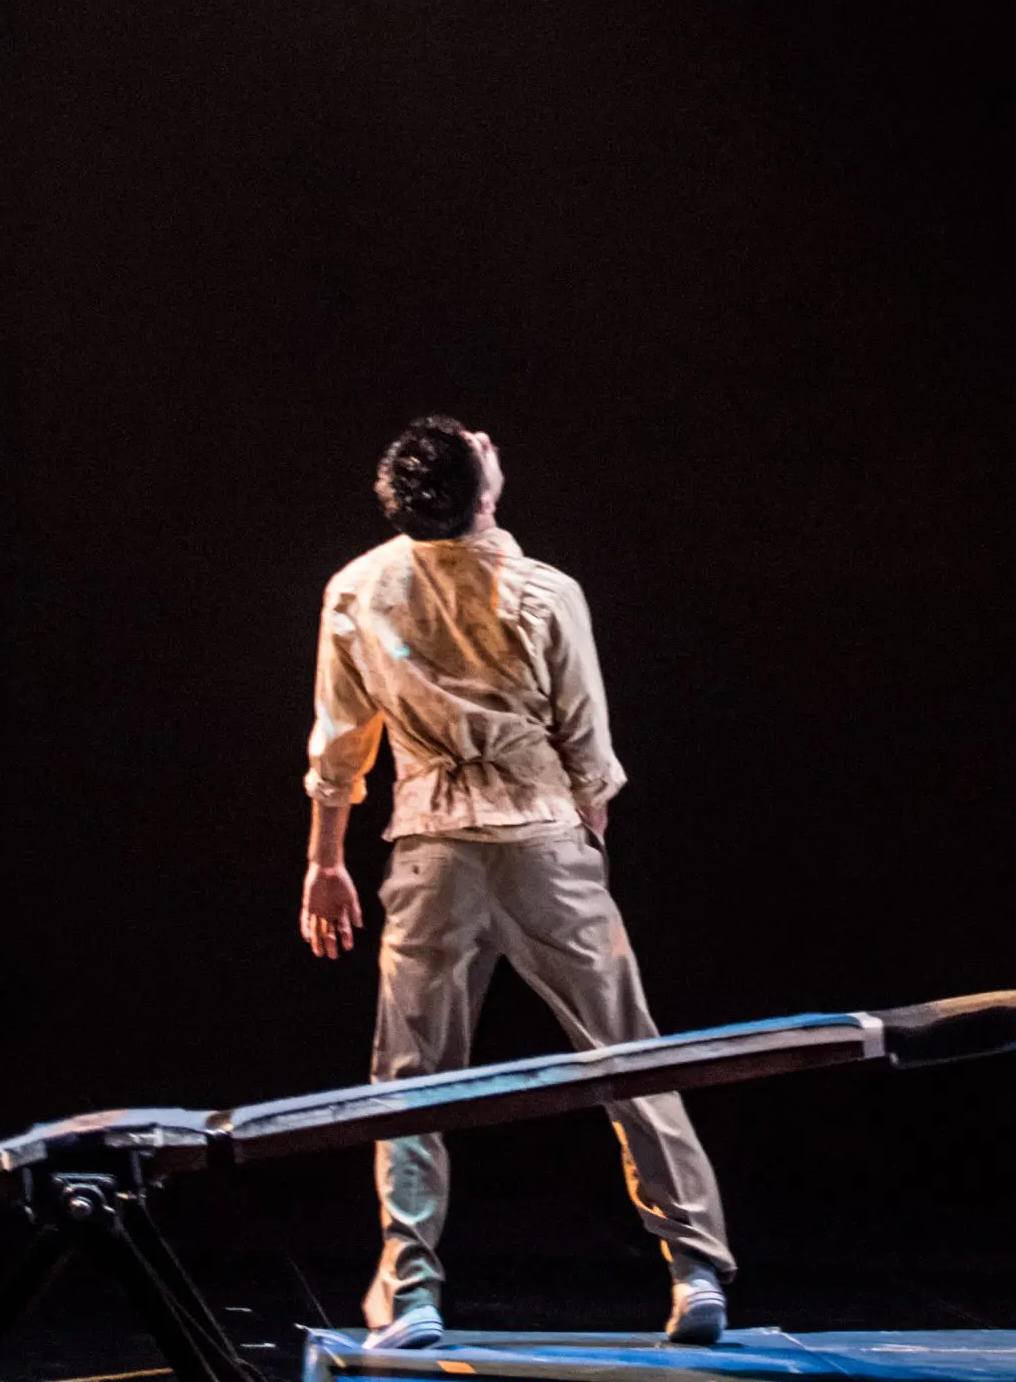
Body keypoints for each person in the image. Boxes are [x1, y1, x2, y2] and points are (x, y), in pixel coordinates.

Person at [301, 416, 734, 1349]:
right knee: (629, 1053)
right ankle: (696, 1268)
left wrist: (325, 861)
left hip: (428, 853)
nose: (487, 437)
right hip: (540, 840)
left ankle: (409, 1291)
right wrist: (583, 834)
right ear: (484, 492)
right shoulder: (542, 590)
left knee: (411, 1080)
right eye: (478, 445)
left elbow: (339, 749)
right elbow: (589, 744)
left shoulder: (358, 588)